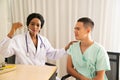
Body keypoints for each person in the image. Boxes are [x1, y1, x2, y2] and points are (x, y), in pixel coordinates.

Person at [0, 13, 71, 65]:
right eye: (32, 24)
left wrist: (66, 48)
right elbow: (4, 53)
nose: (35, 27)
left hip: (40, 73)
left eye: (38, 25)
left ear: (41, 28)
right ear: (28, 25)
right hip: (24, 75)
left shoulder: (44, 40)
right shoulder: (18, 39)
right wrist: (12, 31)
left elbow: (53, 54)